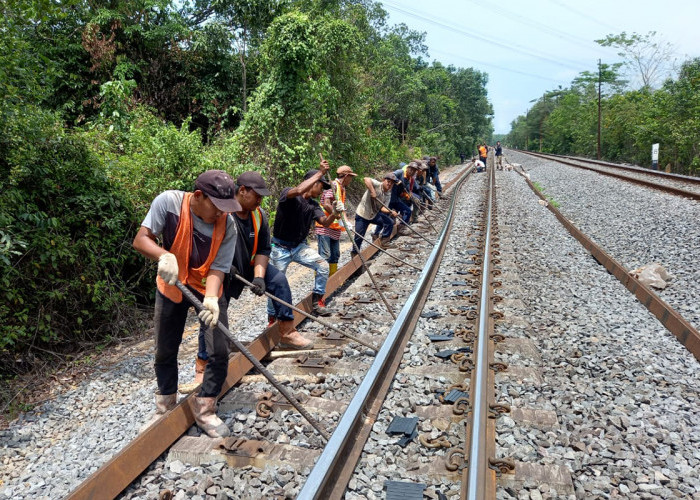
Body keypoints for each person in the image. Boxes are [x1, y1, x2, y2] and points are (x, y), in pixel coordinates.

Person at [133, 170, 241, 438]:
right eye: (217, 207)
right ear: (199, 196)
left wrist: (213, 298)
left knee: (218, 348)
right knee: (165, 349)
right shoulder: (168, 203)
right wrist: (162, 255)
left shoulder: (228, 225)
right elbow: (141, 238)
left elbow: (218, 267)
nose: (221, 214)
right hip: (172, 283)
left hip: (207, 288)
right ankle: (165, 405)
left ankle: (205, 408)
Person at [189, 172, 313, 385]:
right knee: (212, 315)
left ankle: (287, 331)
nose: (260, 201)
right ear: (242, 190)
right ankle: (203, 364)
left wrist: (259, 277)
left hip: (248, 267)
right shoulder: (222, 213)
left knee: (279, 281)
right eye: (257, 195)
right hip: (221, 272)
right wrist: (225, 268)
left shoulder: (259, 215)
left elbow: (264, 248)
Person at [267, 160, 342, 318]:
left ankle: (317, 302)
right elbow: (299, 190)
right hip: (280, 248)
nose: (322, 191)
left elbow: (325, 223)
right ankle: (272, 317)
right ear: (313, 183)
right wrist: (320, 173)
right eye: (321, 186)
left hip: (299, 247)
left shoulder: (313, 205)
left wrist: (334, 213)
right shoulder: (289, 195)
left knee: (322, 265)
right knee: (275, 283)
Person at [315, 165, 357, 277]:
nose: (351, 180)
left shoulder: (342, 188)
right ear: (346, 176)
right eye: (350, 177)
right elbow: (326, 203)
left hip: (335, 228)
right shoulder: (333, 185)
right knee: (325, 255)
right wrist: (337, 216)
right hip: (324, 225)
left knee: (335, 255)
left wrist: (347, 222)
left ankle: (332, 279)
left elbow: (341, 208)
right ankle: (320, 280)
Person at [353, 172, 399, 252]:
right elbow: (366, 179)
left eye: (392, 183)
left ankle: (384, 241)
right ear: (383, 180)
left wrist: (390, 211)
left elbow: (383, 208)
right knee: (359, 237)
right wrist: (372, 191)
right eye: (388, 182)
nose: (390, 184)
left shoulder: (388, 193)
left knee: (389, 222)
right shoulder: (377, 184)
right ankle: (355, 254)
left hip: (374, 214)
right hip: (363, 214)